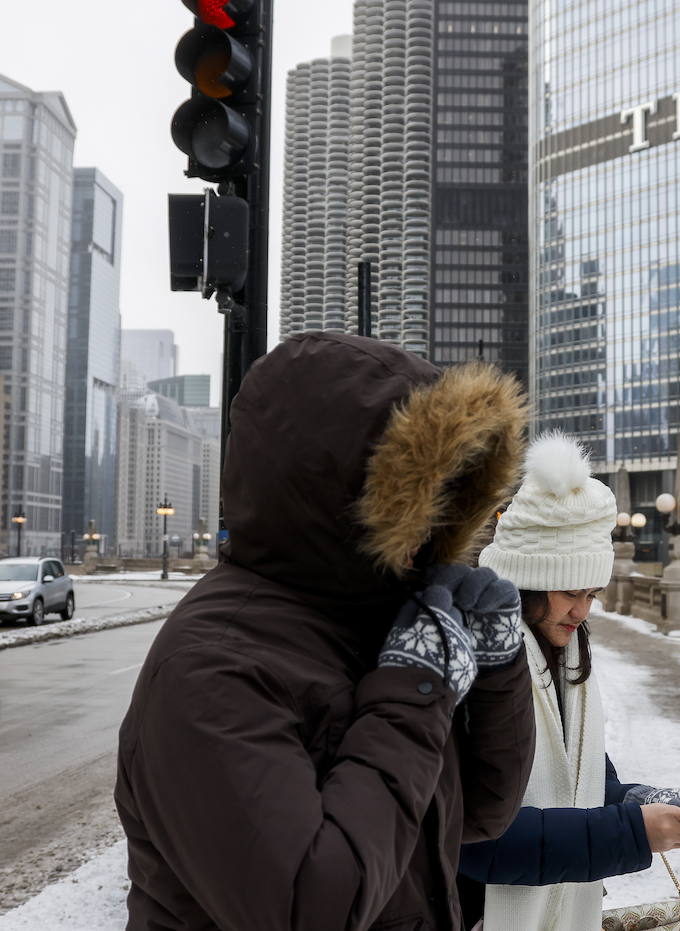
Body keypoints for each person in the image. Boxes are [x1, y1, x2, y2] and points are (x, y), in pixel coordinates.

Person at [115, 332, 538, 930]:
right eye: (417, 495)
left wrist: (496, 670)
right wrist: (413, 689)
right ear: (340, 495)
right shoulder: (209, 668)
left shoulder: (374, 623)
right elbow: (316, 908)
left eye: (447, 495)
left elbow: (479, 812)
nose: (434, 520)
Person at [456, 433, 680, 930]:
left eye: (592, 592)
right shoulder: (471, 662)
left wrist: (650, 803)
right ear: (526, 583)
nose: (582, 610)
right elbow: (472, 842)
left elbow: (580, 784)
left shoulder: (563, 653)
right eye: (569, 592)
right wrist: (635, 831)